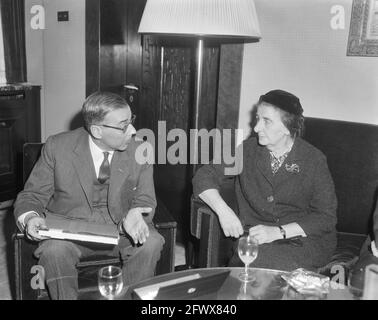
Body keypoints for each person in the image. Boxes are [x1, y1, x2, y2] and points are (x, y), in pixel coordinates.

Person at [13, 91, 164, 299]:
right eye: (123, 125)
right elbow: (31, 196)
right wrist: (30, 218)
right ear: (97, 130)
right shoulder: (58, 147)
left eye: (131, 121)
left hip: (122, 231)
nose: (133, 130)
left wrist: (137, 213)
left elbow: (146, 199)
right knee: (54, 251)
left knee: (151, 242)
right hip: (70, 232)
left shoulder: (141, 149)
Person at [192, 89, 337, 271]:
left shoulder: (313, 160)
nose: (256, 128)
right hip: (257, 239)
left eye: (266, 121)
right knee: (254, 261)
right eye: (257, 118)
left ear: (287, 127)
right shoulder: (247, 151)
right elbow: (204, 175)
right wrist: (224, 211)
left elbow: (326, 217)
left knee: (258, 264)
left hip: (304, 241)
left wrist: (279, 232)